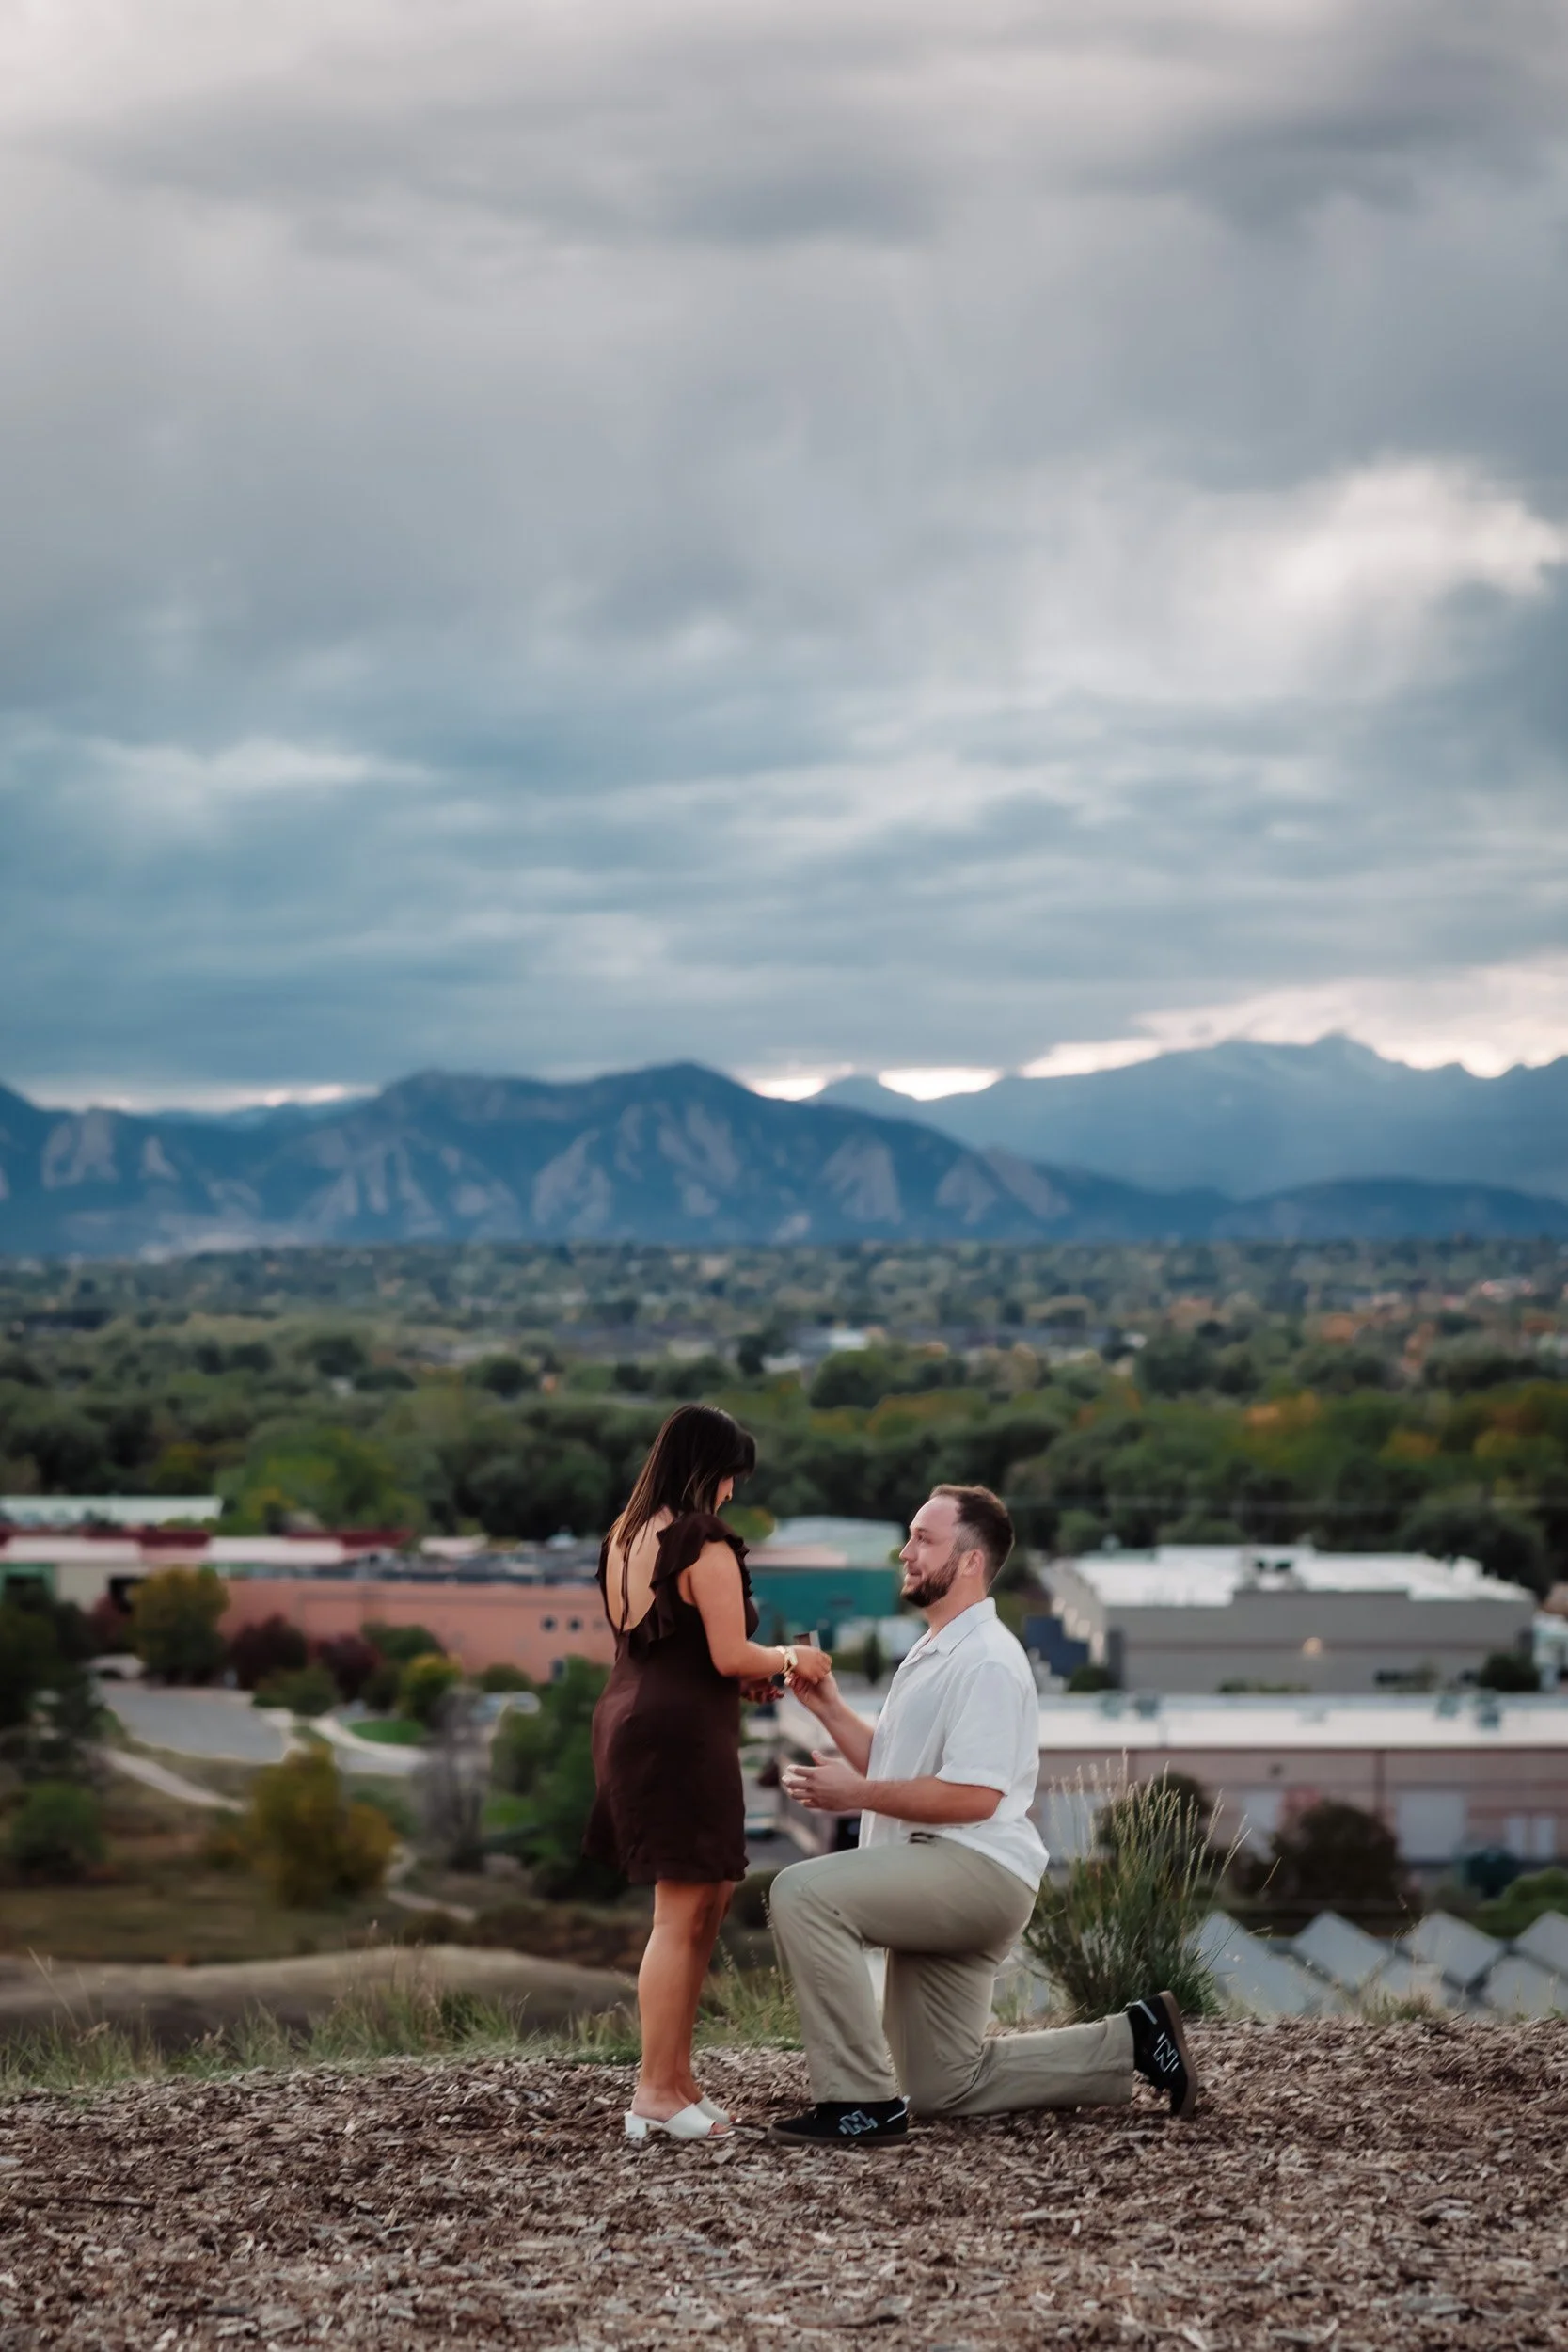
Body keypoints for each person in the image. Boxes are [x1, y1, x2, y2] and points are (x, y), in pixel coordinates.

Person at [769, 1483, 1199, 2149]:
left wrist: (854, 1795)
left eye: (923, 1539)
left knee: (801, 1894)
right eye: (910, 1536)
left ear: (970, 1560)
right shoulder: (937, 1648)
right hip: (941, 1874)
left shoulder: (990, 1660)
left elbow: (974, 1796)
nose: (905, 1552)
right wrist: (826, 1707)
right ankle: (1134, 2039)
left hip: (971, 1873)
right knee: (941, 2085)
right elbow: (895, 1763)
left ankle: (856, 2103)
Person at [582, 1402, 833, 2143]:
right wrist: (792, 1660)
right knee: (680, 1915)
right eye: (730, 1479)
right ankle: (654, 2092)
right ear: (708, 1471)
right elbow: (729, 1652)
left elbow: (680, 1649)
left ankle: (676, 2078)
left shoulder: (623, 1537)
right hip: (677, 1736)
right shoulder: (703, 1542)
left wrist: (741, 1677)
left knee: (703, 1905)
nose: (732, 1495)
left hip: (636, 1716)